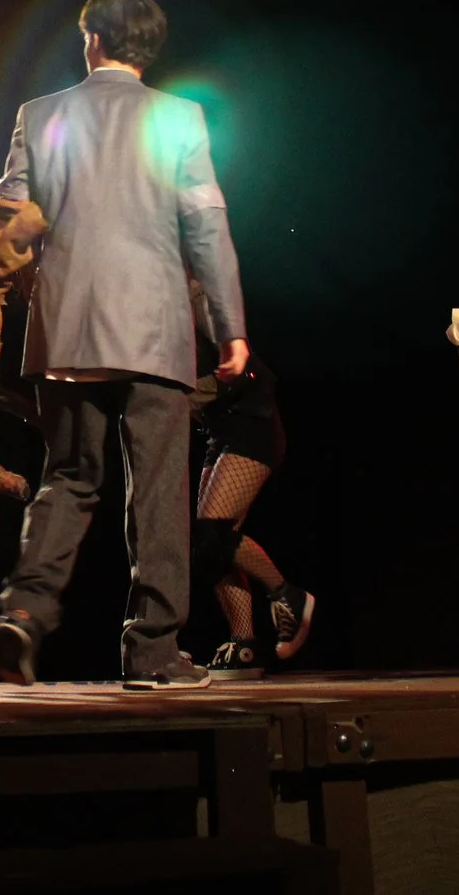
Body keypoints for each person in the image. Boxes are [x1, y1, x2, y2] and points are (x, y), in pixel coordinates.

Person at [0, 0, 253, 691]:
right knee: (158, 490)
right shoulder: (179, 118)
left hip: (67, 325)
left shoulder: (40, 113)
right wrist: (230, 327)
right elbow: (206, 227)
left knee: (69, 475)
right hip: (154, 327)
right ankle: (153, 652)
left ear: (92, 40)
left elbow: (11, 217)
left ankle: (25, 607)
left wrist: (25, 285)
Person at [188, 285, 313, 681]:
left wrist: (182, 400)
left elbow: (242, 367)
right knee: (211, 547)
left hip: (251, 424)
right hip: (219, 430)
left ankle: (287, 594)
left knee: (212, 533)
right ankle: (244, 645)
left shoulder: (197, 299)